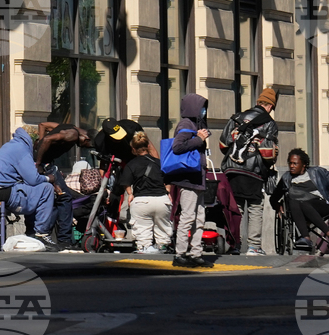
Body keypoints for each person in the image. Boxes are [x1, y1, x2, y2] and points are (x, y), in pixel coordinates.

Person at [0, 126, 60, 251]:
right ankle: (41, 234)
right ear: (33, 141)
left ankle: (32, 232)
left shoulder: (10, 145)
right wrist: (49, 178)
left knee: (33, 190)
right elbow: (33, 179)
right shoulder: (22, 149)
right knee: (46, 188)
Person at [219, 87, 280, 256]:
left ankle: (234, 244)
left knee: (236, 207)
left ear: (258, 102)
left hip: (232, 169)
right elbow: (269, 153)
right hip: (254, 171)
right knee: (254, 207)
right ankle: (254, 246)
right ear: (270, 106)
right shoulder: (269, 123)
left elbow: (223, 145)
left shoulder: (236, 118)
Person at [270, 149, 329, 252]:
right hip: (297, 210)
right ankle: (319, 235)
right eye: (290, 163)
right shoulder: (286, 178)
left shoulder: (317, 172)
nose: (292, 166)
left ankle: (313, 236)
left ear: (304, 165)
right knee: (293, 201)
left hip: (321, 206)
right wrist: (277, 205)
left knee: (298, 201)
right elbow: (274, 197)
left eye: (295, 163)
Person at [33, 121, 95, 250]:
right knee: (65, 198)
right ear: (86, 138)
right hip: (44, 165)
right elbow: (48, 139)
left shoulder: (69, 127)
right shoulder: (72, 134)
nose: (84, 147)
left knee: (58, 198)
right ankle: (64, 240)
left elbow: (43, 125)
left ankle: (48, 234)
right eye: (87, 146)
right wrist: (38, 163)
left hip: (46, 164)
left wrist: (39, 141)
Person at [168, 93, 213, 268]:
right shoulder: (186, 124)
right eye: (201, 107)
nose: (203, 111)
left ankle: (196, 253)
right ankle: (180, 253)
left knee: (199, 218)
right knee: (188, 217)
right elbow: (177, 147)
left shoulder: (197, 125)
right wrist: (198, 139)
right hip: (189, 178)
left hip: (198, 178)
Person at [118, 131, 172, 254]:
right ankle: (163, 246)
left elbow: (126, 182)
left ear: (133, 149)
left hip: (142, 201)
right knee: (162, 227)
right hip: (161, 200)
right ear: (148, 146)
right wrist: (168, 190)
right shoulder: (159, 163)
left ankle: (144, 246)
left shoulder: (131, 165)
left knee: (142, 228)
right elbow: (169, 179)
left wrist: (130, 193)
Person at [93, 118, 159, 163]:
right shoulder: (100, 141)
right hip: (117, 161)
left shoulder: (131, 127)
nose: (120, 138)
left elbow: (150, 148)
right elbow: (103, 163)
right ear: (107, 135)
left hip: (135, 157)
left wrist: (159, 168)